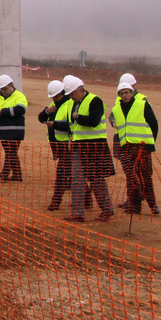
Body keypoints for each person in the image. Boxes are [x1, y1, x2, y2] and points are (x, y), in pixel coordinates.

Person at [55, 75, 115, 223]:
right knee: (77, 179)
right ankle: (77, 213)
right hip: (78, 147)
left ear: (80, 90)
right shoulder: (73, 103)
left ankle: (107, 209)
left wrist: (77, 117)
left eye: (72, 94)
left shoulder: (95, 101)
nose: (70, 97)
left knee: (96, 180)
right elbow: (72, 124)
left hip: (95, 146)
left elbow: (94, 121)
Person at [111, 78, 159, 215]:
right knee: (131, 178)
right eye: (121, 93)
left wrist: (151, 143)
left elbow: (154, 124)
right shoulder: (116, 109)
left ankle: (153, 204)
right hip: (126, 148)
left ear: (132, 92)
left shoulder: (142, 105)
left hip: (142, 148)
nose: (125, 95)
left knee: (145, 177)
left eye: (127, 92)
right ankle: (134, 206)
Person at [38, 80, 73, 210]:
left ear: (62, 93)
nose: (53, 98)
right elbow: (41, 118)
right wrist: (47, 111)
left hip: (67, 145)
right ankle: (87, 200)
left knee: (62, 175)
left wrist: (55, 124)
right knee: (72, 174)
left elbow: (72, 125)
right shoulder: (54, 104)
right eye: (52, 96)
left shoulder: (69, 104)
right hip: (57, 145)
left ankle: (55, 202)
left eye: (55, 96)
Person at [0, 74, 27, 181]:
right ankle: (16, 174)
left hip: (16, 130)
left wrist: (3, 112)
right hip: (3, 130)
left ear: (11, 86)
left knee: (11, 151)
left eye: (5, 89)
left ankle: (6, 173)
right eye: (2, 89)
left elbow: (21, 109)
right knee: (10, 152)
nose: (4, 91)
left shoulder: (19, 96)